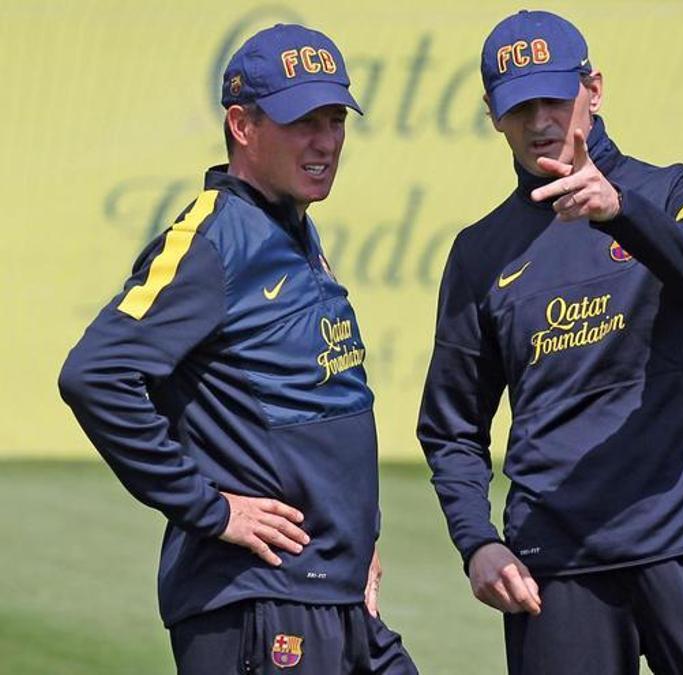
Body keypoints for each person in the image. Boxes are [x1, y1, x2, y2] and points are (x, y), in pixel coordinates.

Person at [417, 9, 683, 675]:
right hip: (557, 561)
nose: (539, 122)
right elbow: (451, 427)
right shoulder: (479, 253)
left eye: (554, 98)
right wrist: (477, 541)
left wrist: (620, 209)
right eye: (518, 106)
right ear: (491, 113)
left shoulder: (676, 190)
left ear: (594, 87)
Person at [58, 23, 418, 675]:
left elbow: (320, 404)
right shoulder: (212, 239)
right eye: (303, 120)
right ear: (242, 125)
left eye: (335, 118)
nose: (326, 141)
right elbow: (94, 374)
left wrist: (359, 539)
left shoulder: (293, 233)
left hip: (330, 593)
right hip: (259, 603)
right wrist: (211, 508)